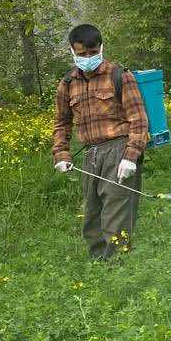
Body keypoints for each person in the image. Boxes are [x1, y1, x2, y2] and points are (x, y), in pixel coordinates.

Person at [53, 24, 149, 261]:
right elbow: (61, 123)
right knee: (92, 217)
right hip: (90, 155)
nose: (89, 58)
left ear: (101, 48)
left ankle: (119, 267)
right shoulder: (67, 84)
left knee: (116, 216)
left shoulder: (119, 76)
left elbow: (138, 118)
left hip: (118, 149)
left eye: (93, 52)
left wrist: (131, 156)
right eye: (82, 54)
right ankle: (99, 267)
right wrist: (61, 154)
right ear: (73, 52)